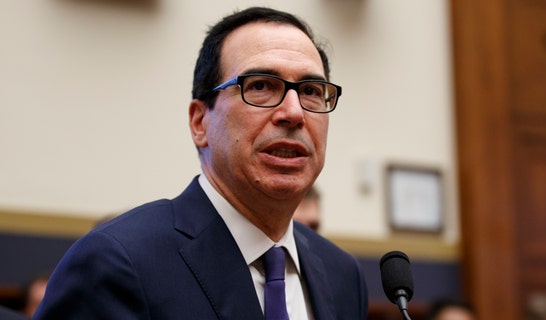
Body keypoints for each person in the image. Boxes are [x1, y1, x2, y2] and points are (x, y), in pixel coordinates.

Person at [33, 6, 368, 319]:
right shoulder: (116, 263)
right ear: (199, 122)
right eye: (261, 85)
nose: (293, 113)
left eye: (310, 90)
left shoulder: (342, 275)